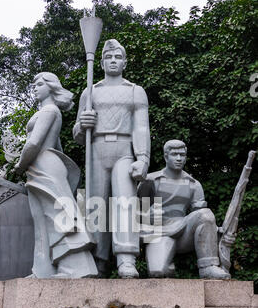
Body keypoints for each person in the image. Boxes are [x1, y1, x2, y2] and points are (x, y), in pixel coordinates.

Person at [73, 39, 151, 278]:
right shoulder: (91, 91)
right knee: (97, 206)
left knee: (125, 202)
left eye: (118, 57)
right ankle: (99, 260)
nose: (113, 61)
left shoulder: (135, 91)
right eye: (109, 57)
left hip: (124, 149)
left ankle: (126, 259)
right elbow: (77, 134)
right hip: (96, 149)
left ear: (125, 62)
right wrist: (82, 125)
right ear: (103, 62)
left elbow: (141, 128)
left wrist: (143, 158)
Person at [15, 72, 97, 278]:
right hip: (42, 166)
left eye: (39, 84)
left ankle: (74, 268)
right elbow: (58, 147)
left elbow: (34, 143)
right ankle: (42, 269)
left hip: (43, 165)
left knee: (58, 217)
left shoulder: (50, 110)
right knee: (41, 220)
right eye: (34, 84)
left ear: (51, 87)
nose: (35, 87)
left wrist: (19, 164)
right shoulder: (50, 112)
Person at [137, 139, 230, 279]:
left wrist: (217, 231)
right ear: (165, 156)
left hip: (183, 232)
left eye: (182, 155)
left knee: (205, 214)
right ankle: (167, 266)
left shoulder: (194, 184)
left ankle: (208, 267)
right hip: (157, 232)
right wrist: (146, 215)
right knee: (158, 272)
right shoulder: (151, 181)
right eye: (174, 154)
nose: (179, 158)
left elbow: (203, 220)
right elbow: (134, 213)